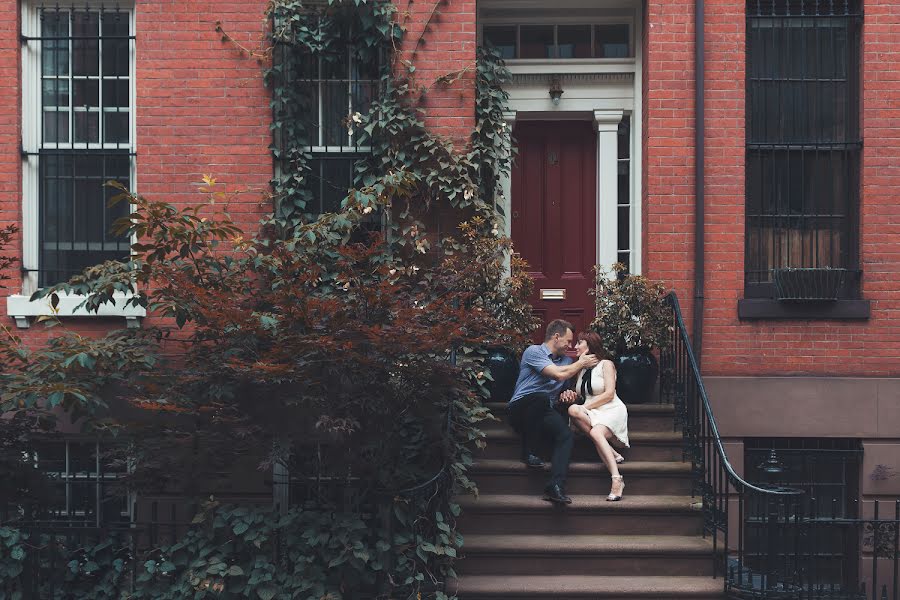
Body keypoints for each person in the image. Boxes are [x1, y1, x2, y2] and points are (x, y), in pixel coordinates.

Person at [507, 319, 600, 505]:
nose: (570, 345)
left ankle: (555, 486)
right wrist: (581, 363)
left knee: (565, 434)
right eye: (567, 340)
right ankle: (529, 452)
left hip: (544, 408)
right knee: (540, 397)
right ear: (556, 337)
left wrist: (567, 394)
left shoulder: (566, 361)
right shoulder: (534, 351)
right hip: (520, 408)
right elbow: (558, 374)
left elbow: (562, 386)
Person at [567, 331, 629, 501]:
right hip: (593, 410)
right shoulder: (581, 369)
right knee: (572, 410)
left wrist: (583, 407)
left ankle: (617, 479)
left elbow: (609, 394)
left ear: (590, 345)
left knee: (593, 431)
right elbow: (583, 394)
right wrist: (571, 396)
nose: (575, 346)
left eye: (579, 342)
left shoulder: (606, 364)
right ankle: (611, 451)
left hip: (611, 408)